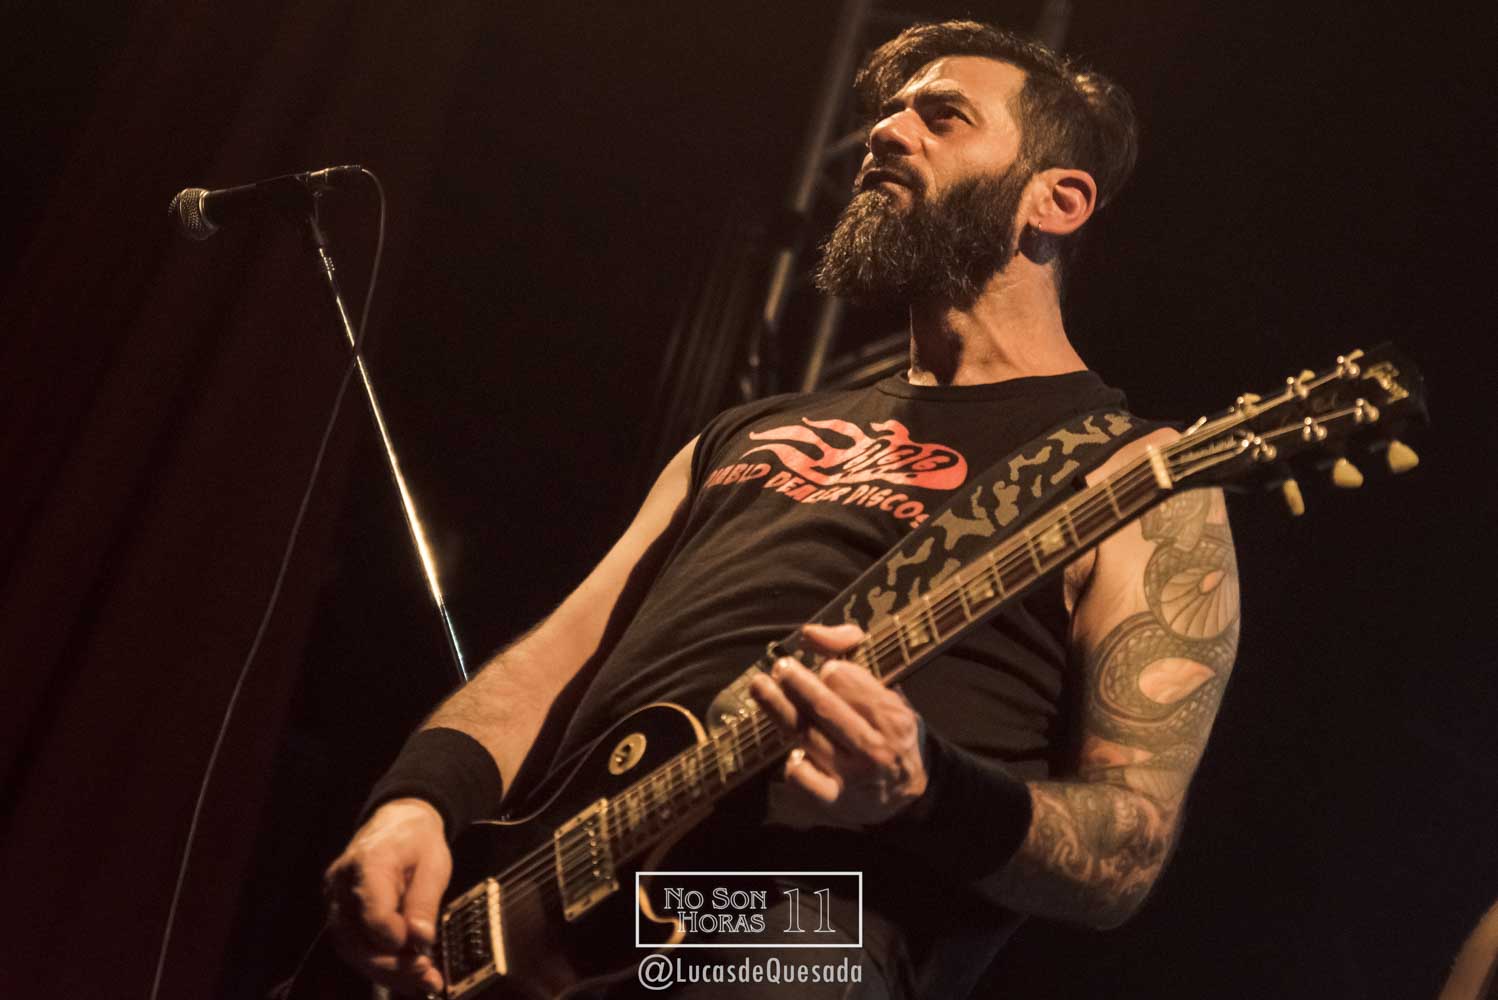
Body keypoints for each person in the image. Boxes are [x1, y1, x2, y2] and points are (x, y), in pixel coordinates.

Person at [322, 20, 1240, 998]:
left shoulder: (1135, 476)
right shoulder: (746, 431)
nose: (884, 131)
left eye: (941, 116)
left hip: (801, 926)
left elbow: (1126, 851)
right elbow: (549, 664)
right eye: (887, 112)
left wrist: (925, 788)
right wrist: (416, 803)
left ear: (1054, 201)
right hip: (533, 919)